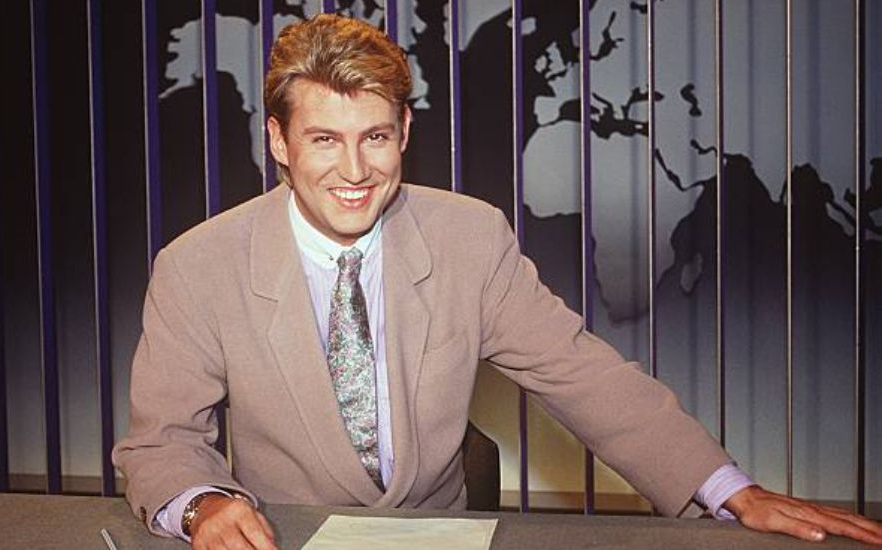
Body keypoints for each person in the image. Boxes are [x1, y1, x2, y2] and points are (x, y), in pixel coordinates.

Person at [113, 14, 882, 550]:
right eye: (323, 139)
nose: (354, 171)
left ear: (403, 132)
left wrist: (727, 489)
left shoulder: (469, 236)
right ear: (278, 141)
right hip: (285, 538)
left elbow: (582, 376)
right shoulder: (197, 266)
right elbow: (162, 442)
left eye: (374, 137)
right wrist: (205, 505)